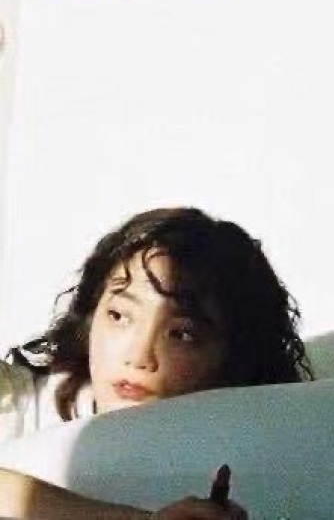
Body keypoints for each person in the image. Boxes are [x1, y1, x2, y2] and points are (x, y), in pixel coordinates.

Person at [0, 206, 314, 519]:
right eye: (118, 316)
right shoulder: (16, 403)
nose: (139, 357)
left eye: (181, 334)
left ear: (236, 359)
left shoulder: (263, 451)